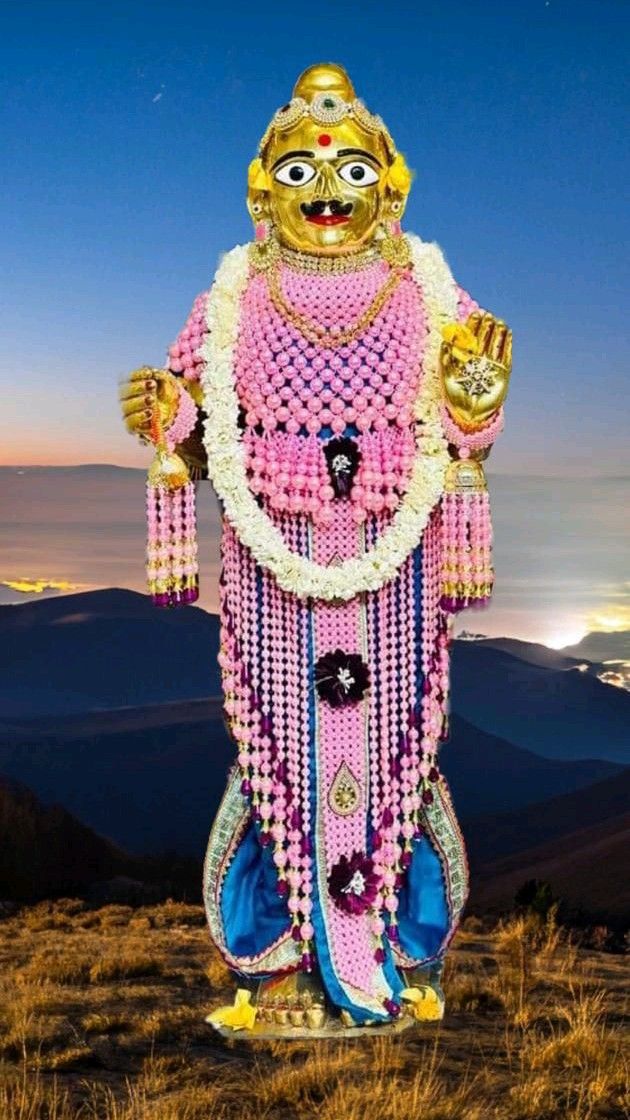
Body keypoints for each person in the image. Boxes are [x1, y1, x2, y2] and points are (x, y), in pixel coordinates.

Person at [119, 62, 512, 1037]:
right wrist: (169, 415)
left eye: (346, 173)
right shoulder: (232, 296)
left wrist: (475, 397)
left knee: (399, 760)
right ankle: (277, 967)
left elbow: (467, 420)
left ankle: (395, 952)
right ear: (264, 188)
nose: (327, 193)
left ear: (390, 184)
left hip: (397, 560)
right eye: (300, 173)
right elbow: (199, 429)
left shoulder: (425, 286)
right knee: (273, 761)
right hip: (272, 566)